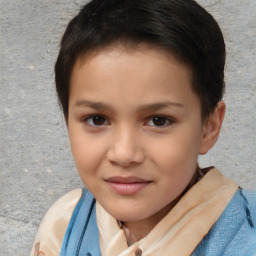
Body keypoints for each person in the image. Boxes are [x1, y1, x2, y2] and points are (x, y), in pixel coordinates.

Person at [31, 0, 256, 255]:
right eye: (97, 119)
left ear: (209, 127)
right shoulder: (64, 226)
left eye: (158, 120)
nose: (124, 154)